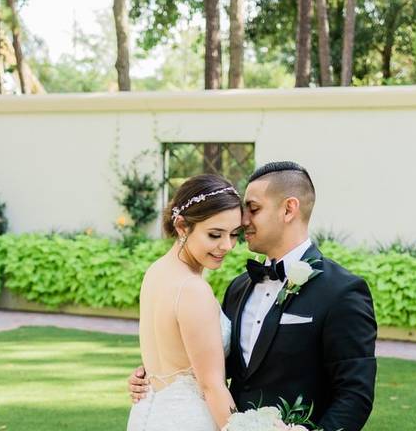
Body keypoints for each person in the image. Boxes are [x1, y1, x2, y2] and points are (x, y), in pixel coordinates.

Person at [129, 161, 377, 431]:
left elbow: (355, 395)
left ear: (289, 209)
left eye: (253, 209)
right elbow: (207, 365)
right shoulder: (238, 288)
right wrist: (156, 375)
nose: (243, 219)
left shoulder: (342, 292)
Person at [127, 173, 244, 431]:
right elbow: (211, 386)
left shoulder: (155, 272)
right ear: (182, 226)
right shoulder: (193, 290)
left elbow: (166, 356)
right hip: (189, 420)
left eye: (235, 234)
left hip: (148, 413)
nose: (227, 246)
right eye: (215, 235)